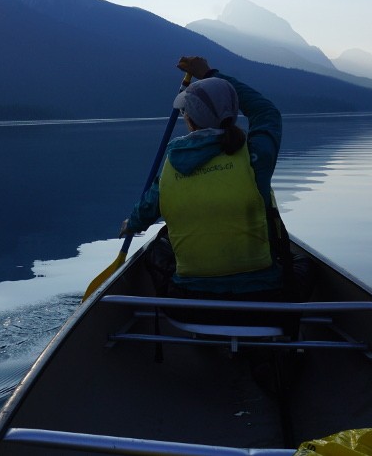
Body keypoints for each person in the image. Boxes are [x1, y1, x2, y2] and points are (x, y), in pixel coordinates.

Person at [120, 56, 311, 301]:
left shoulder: (172, 164)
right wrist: (209, 73)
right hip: (265, 297)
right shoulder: (255, 158)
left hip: (189, 300)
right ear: (232, 112)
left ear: (189, 120)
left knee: (158, 247)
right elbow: (266, 112)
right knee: (302, 262)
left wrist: (130, 225)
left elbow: (145, 212)